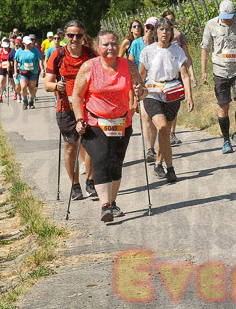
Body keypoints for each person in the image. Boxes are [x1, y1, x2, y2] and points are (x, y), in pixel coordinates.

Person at [71, 30, 147, 222]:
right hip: (94, 122)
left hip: (122, 122)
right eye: (105, 45)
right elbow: (77, 96)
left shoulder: (128, 65)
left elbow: (142, 91)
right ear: (98, 47)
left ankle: (112, 203)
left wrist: (140, 90)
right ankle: (105, 206)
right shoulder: (89, 67)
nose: (110, 48)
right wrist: (80, 119)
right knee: (102, 159)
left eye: (113, 43)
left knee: (116, 163)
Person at [46, 20, 98, 200]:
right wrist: (56, 86)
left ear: (84, 36)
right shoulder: (57, 55)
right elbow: (46, 84)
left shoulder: (91, 54)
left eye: (78, 35)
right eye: (70, 35)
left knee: (91, 146)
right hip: (66, 107)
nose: (74, 38)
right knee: (71, 147)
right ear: (64, 37)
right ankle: (75, 185)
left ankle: (90, 182)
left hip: (89, 106)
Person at [138, 18, 193, 183]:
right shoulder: (148, 51)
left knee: (165, 132)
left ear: (171, 33)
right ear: (156, 32)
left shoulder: (177, 51)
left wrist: (189, 96)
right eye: (161, 29)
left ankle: (158, 163)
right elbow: (141, 75)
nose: (164, 33)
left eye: (167, 30)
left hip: (172, 94)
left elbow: (184, 75)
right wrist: (135, 97)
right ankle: (171, 168)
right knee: (162, 127)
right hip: (152, 94)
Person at [201, 0, 236, 154]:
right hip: (220, 71)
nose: (227, 20)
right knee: (223, 105)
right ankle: (225, 140)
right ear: (219, 13)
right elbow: (205, 48)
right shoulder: (211, 25)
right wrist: (203, 71)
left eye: (230, 17)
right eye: (224, 17)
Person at [162, 9, 194, 147]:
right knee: (163, 106)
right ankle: (163, 131)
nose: (171, 22)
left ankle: (172, 133)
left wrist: (192, 75)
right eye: (168, 20)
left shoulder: (181, 36)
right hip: (163, 76)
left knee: (174, 105)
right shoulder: (161, 37)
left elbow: (187, 56)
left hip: (179, 74)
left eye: (173, 20)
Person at [130, 18, 158, 163]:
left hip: (158, 86)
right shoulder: (136, 44)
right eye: (147, 27)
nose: (148, 30)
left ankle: (155, 145)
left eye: (152, 28)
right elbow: (130, 64)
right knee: (145, 117)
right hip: (141, 85)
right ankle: (150, 149)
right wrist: (134, 94)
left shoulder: (161, 45)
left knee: (154, 119)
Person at [15, 36, 44, 109]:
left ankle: (31, 102)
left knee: (32, 87)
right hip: (23, 72)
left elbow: (40, 59)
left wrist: (42, 69)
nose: (28, 45)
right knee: (23, 86)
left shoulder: (35, 50)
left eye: (29, 43)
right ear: (23, 43)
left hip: (33, 72)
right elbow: (15, 61)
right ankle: (25, 101)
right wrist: (15, 71)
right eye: (27, 43)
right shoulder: (19, 51)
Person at [0, 38, 13, 103]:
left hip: (9, 66)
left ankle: (16, 93)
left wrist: (11, 63)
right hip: (2, 66)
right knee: (1, 79)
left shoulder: (11, 50)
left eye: (6, 47)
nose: (5, 48)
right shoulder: (0, 50)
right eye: (4, 47)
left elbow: (13, 59)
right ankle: (0, 96)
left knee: (12, 80)